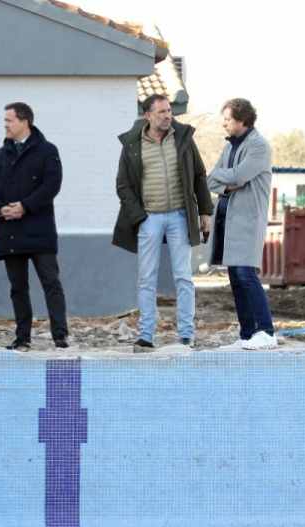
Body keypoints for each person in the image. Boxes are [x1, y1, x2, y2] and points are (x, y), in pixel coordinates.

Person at [113, 93, 213, 348]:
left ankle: (186, 335)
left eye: (169, 111)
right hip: (149, 218)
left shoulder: (183, 139)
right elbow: (123, 185)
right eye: (161, 112)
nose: (168, 116)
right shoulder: (133, 144)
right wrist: (139, 216)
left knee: (183, 276)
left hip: (180, 215)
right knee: (147, 277)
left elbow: (200, 176)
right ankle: (147, 335)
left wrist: (204, 212)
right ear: (148, 115)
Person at [0, 102, 69, 350]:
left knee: (51, 283)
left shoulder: (47, 151)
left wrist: (25, 206)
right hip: (10, 230)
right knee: (18, 287)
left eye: (9, 120)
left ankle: (60, 336)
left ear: (24, 122)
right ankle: (22, 337)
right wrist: (0, 208)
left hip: (39, 229)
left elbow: (52, 185)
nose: (5, 125)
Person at [207, 97, 277, 350]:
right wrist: (228, 181)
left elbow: (239, 176)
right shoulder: (230, 147)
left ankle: (265, 331)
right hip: (228, 218)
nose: (224, 124)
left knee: (247, 274)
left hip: (247, 220)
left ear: (242, 120)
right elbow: (211, 180)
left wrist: (226, 180)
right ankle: (247, 334)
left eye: (228, 120)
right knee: (235, 276)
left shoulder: (258, 146)